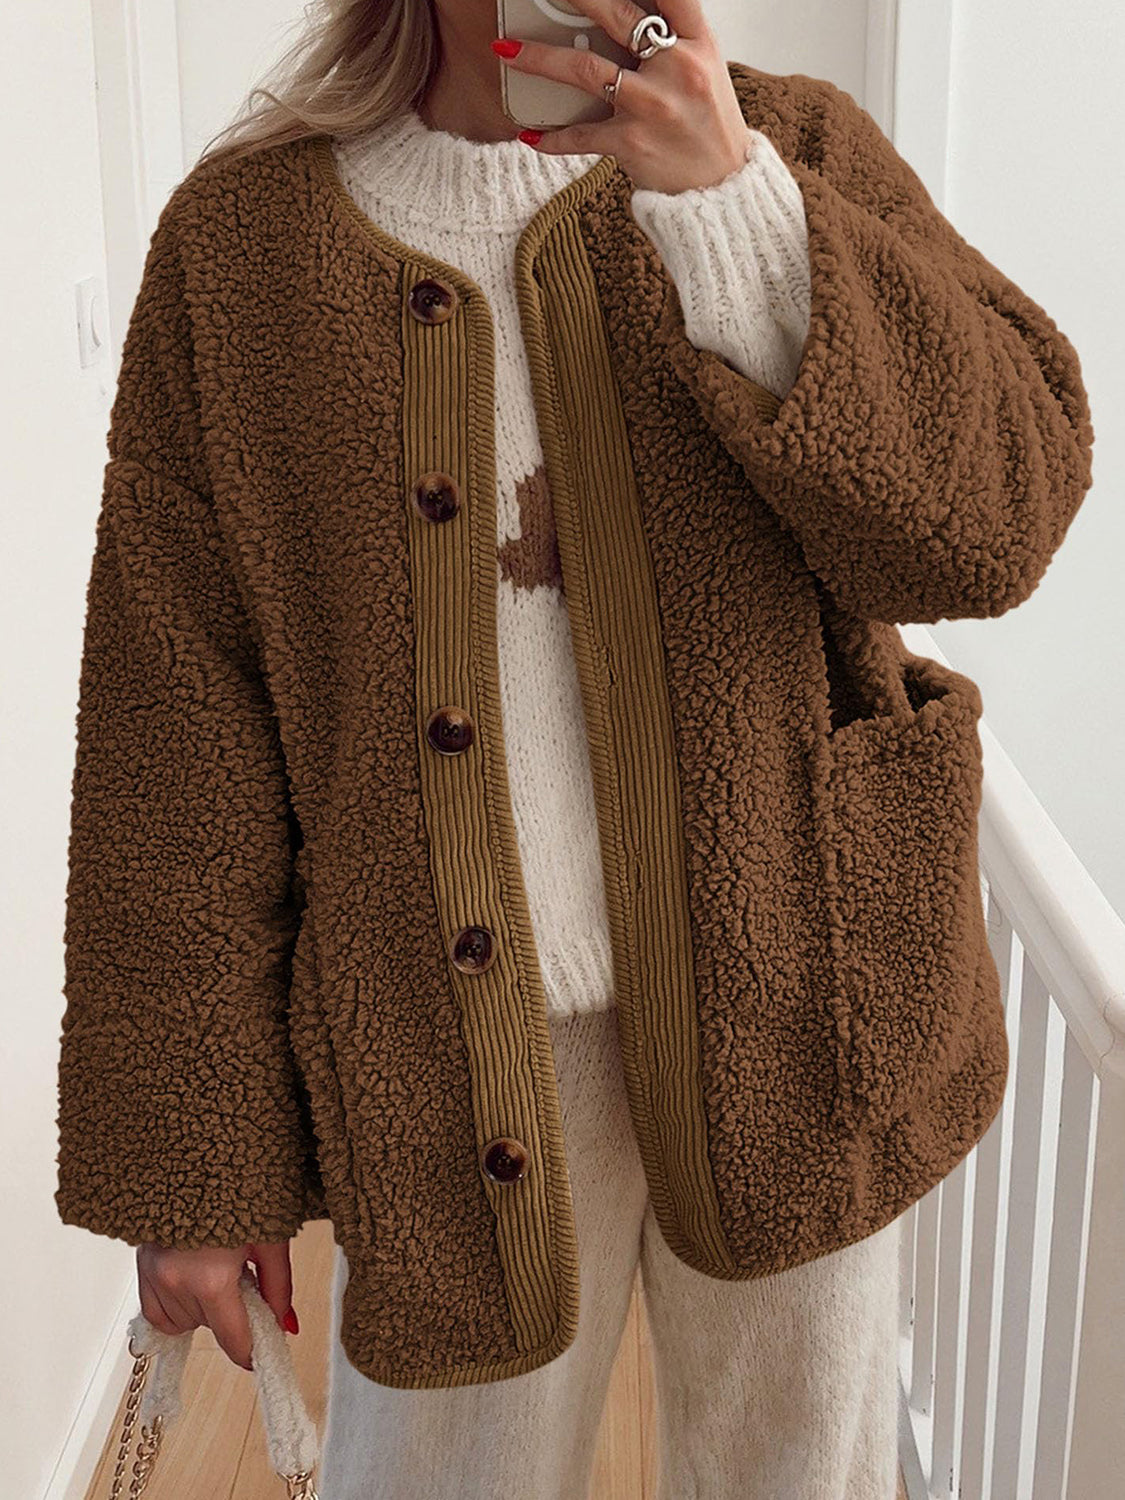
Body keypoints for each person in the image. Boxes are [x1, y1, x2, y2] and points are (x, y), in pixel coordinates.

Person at [54, 2, 1094, 1497]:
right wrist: (194, 1164)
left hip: (800, 1005)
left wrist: (739, 214)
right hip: (437, 1055)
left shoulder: (790, 150)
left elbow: (996, 521)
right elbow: (176, 738)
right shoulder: (244, 250)